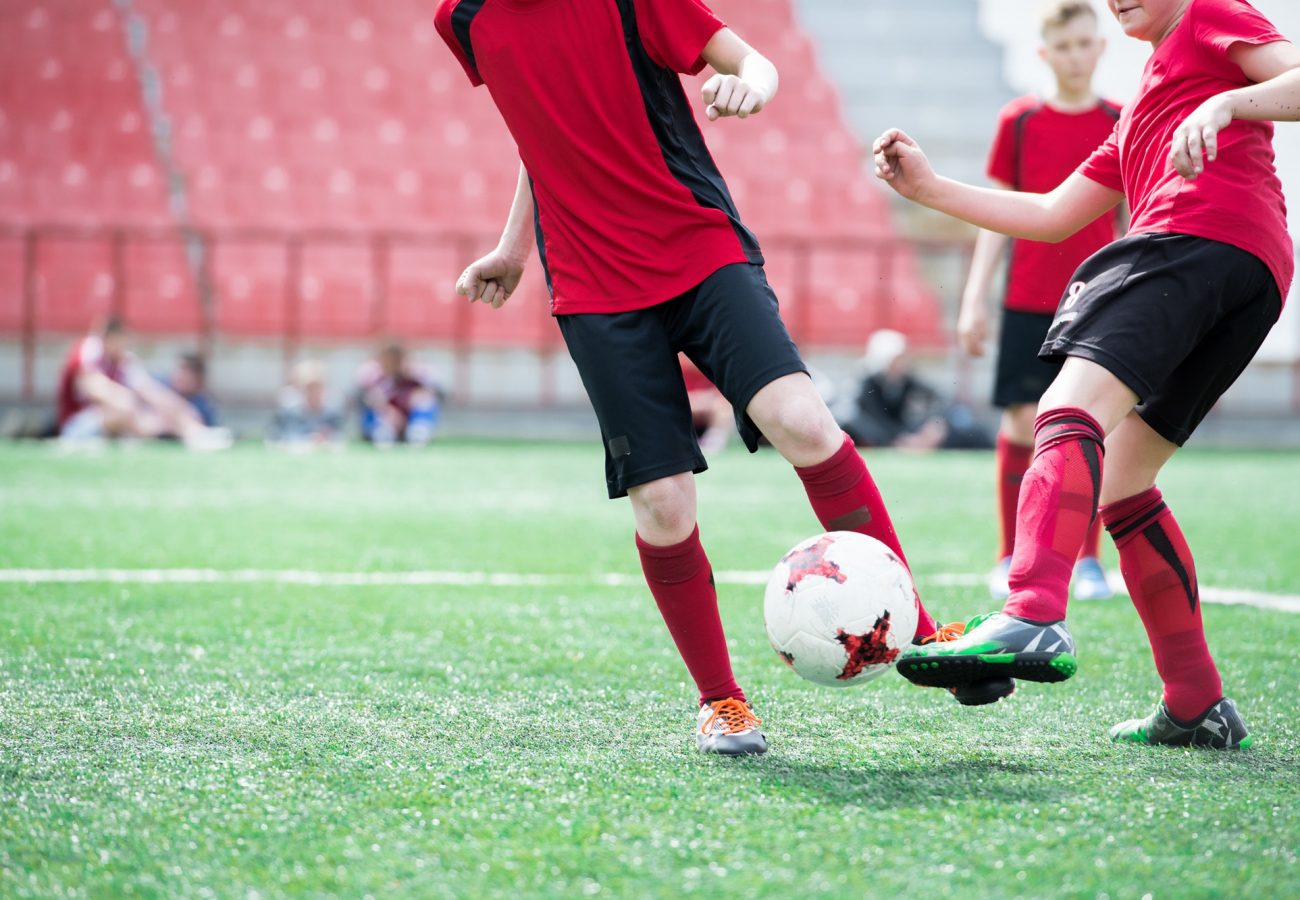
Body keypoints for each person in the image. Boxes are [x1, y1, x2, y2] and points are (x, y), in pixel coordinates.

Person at [435, 0, 983, 755]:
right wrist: (513, 250)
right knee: (661, 505)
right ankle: (722, 701)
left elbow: (752, 61)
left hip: (698, 248)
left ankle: (922, 635)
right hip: (594, 285)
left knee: (802, 420)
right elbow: (543, 133)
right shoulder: (464, 21)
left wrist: (752, 85)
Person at [875, 0, 1297, 749]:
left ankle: (1033, 611)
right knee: (1124, 484)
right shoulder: (1141, 102)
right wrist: (930, 190)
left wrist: (1230, 102)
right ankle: (1195, 701)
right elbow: (1053, 212)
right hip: (1254, 274)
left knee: (1066, 408)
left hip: (1193, 237)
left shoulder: (1205, 15)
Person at [958, 1, 1120, 602]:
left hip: (1097, 299)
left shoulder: (1121, 121)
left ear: (1100, 46)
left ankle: (1088, 560)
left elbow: (1131, 220)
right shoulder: (1019, 122)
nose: (1076, 55)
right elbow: (996, 217)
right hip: (1027, 299)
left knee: (1090, 423)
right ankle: (1009, 554)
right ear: (1044, 52)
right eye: (1065, 45)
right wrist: (974, 298)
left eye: (1086, 43)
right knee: (1023, 422)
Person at [56, 316, 232, 450]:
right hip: (78, 427)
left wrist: (182, 410)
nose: (124, 345)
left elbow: (152, 392)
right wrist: (133, 406)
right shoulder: (89, 351)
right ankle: (184, 435)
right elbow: (96, 389)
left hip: (116, 423)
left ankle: (194, 433)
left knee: (159, 410)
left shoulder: (123, 361)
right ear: (109, 338)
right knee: (124, 408)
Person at [841, 329, 992, 452]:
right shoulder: (866, 384)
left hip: (900, 434)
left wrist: (930, 430)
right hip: (876, 435)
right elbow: (869, 421)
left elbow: (940, 399)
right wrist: (900, 441)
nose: (900, 365)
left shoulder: (906, 380)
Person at [356, 343, 442, 446]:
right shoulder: (374, 375)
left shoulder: (415, 376)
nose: (392, 364)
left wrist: (414, 399)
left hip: (408, 420)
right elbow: (363, 397)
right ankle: (383, 434)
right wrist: (387, 410)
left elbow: (439, 393)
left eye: (395, 360)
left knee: (424, 400)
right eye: (388, 360)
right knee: (373, 401)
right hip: (384, 421)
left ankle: (418, 432)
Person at [270, 359, 344, 447]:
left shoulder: (331, 413)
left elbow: (339, 437)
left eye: (317, 388)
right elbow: (280, 437)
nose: (313, 392)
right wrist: (308, 439)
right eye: (309, 388)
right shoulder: (289, 412)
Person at [168, 352, 219, 427]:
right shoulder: (165, 388)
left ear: (197, 379)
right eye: (178, 370)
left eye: (184, 372)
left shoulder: (202, 405)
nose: (178, 375)